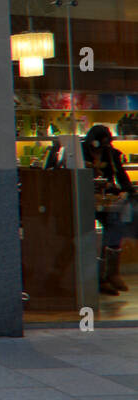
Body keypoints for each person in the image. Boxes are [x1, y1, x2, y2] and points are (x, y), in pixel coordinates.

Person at [82, 124, 133, 296]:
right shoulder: (80, 152)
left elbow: (121, 175)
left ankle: (111, 273)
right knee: (85, 232)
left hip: (106, 198)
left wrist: (127, 191)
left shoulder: (111, 153)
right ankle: (97, 278)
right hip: (84, 198)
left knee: (114, 226)